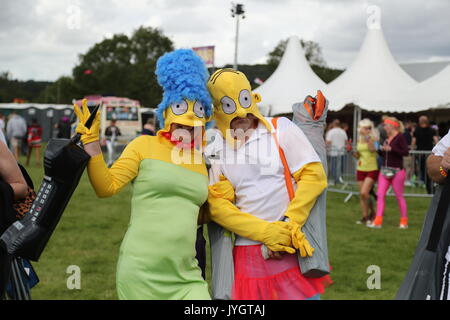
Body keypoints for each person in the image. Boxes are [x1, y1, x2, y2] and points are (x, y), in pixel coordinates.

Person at [73, 49, 212, 300]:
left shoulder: (202, 161)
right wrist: (91, 143)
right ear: (167, 111)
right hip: (141, 272)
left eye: (198, 110)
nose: (188, 119)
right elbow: (107, 187)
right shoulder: (143, 146)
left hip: (187, 275)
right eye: (181, 108)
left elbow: (202, 213)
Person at [206, 69, 330, 300]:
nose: (241, 112)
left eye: (244, 100)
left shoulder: (280, 128)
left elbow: (314, 176)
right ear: (217, 109)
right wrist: (265, 232)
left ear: (252, 98)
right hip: (247, 255)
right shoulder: (215, 146)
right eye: (229, 106)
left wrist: (288, 225)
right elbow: (217, 207)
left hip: (289, 247)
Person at [368, 117, 409, 229]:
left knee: (399, 196)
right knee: (380, 195)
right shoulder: (387, 138)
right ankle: (378, 221)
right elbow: (384, 155)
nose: (384, 128)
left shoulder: (400, 137)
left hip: (397, 171)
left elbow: (405, 152)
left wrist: (391, 149)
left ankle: (404, 221)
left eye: (386, 126)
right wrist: (379, 149)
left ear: (392, 126)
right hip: (385, 171)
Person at [353, 119, 379, 225]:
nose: (368, 129)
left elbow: (373, 150)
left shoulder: (374, 138)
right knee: (363, 195)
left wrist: (368, 139)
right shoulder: (359, 139)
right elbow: (358, 155)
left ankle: (372, 212)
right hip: (360, 168)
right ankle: (365, 216)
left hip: (372, 168)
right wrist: (351, 151)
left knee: (365, 192)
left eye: (369, 128)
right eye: (365, 128)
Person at [413, 115, 439, 194]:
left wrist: (413, 149)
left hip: (420, 154)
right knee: (430, 171)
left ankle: (429, 188)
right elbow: (436, 141)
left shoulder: (416, 130)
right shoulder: (432, 130)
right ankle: (431, 188)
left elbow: (413, 142)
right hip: (429, 154)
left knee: (423, 172)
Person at [326, 119, 348, 185]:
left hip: (333, 152)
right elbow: (346, 141)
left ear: (333, 124)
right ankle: (339, 178)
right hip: (342, 152)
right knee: (340, 167)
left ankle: (335, 180)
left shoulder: (331, 132)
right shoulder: (343, 131)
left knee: (333, 167)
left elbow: (328, 142)